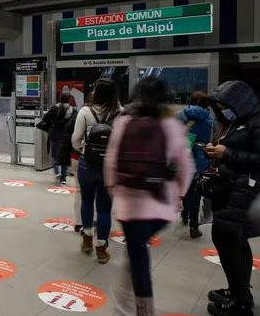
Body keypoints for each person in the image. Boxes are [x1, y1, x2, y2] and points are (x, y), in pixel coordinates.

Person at [104, 77, 194, 316]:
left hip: (129, 206)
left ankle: (142, 310)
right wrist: (179, 194)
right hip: (161, 208)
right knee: (135, 253)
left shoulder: (123, 122)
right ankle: (124, 304)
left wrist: (113, 188)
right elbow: (186, 166)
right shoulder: (171, 125)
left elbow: (111, 160)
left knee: (137, 259)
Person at [204, 81, 260, 316]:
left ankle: (240, 304)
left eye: (224, 105)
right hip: (232, 189)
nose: (222, 110)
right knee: (234, 243)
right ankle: (239, 291)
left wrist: (227, 153)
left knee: (229, 241)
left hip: (245, 191)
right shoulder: (241, 121)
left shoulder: (256, 124)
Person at [71, 78, 121, 264]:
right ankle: (101, 248)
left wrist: (84, 149)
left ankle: (86, 239)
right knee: (104, 208)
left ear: (96, 92)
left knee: (86, 200)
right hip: (110, 167)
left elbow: (75, 139)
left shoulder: (85, 111)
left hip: (88, 164)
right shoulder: (120, 113)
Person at [178, 91, 214, 238]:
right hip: (200, 159)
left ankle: (184, 214)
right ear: (206, 105)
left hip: (183, 157)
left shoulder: (182, 115)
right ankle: (194, 226)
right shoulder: (210, 120)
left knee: (185, 187)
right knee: (196, 192)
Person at [43, 93, 75, 185]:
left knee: (54, 155)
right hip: (67, 136)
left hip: (55, 135)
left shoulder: (54, 108)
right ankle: (63, 178)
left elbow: (45, 119)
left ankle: (57, 173)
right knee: (65, 157)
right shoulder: (72, 110)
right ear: (69, 100)